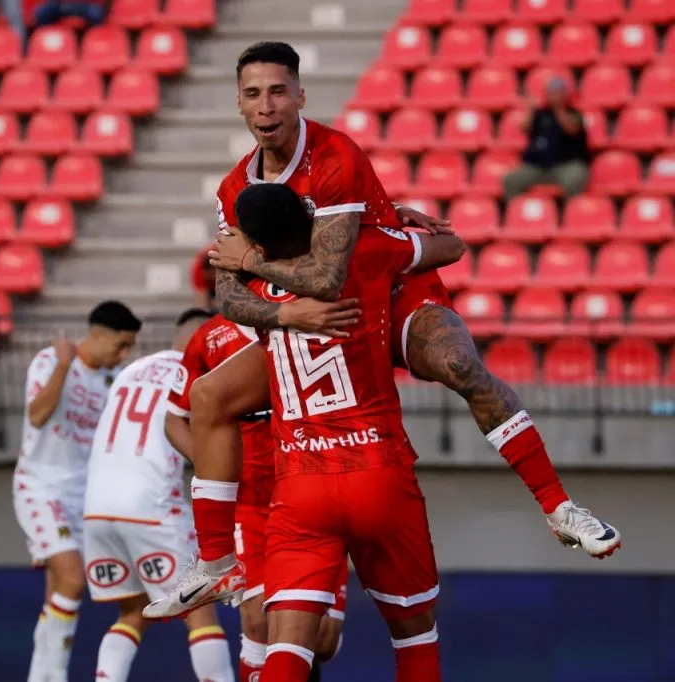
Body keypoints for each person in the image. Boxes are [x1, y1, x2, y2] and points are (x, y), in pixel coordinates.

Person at [144, 43, 619, 622]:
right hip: (319, 318)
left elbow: (329, 275)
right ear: (239, 104)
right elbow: (227, 297)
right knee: (209, 397)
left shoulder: (335, 156)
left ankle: (560, 507)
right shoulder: (232, 191)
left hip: (384, 294)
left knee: (460, 365)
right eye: (252, 94)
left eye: (276, 91)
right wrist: (286, 313)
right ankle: (217, 566)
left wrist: (256, 267)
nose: (266, 105)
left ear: (299, 96)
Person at [228, 182, 465, 680]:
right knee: (416, 640)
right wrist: (385, 220)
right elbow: (452, 246)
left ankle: (208, 561)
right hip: (376, 470)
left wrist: (248, 262)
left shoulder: (247, 288)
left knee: (286, 651)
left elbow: (229, 284)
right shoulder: (366, 251)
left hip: (299, 481)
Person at [165, 312, 345, 682]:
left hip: (310, 494)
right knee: (258, 620)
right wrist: (217, 466)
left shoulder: (310, 317)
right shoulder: (210, 337)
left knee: (322, 639)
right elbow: (173, 419)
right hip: (248, 504)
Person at [83, 308, 235, 682]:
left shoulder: (129, 371)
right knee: (200, 610)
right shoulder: (198, 376)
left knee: (131, 613)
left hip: (96, 510)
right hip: (150, 507)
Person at [14, 300, 142, 682]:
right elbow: (36, 415)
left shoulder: (113, 378)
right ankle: (54, 674)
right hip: (41, 487)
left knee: (60, 592)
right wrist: (64, 365)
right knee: (72, 578)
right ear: (98, 335)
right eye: (121, 345)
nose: (124, 354)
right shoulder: (50, 361)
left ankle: (42, 676)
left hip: (83, 497)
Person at [503, 76, 590, 200]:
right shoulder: (540, 114)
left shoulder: (574, 113)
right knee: (511, 180)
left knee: (575, 179)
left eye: (558, 92)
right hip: (539, 166)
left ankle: (569, 215)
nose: (554, 95)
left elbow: (572, 129)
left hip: (566, 165)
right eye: (551, 92)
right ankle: (515, 214)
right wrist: (530, 111)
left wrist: (559, 109)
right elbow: (523, 129)